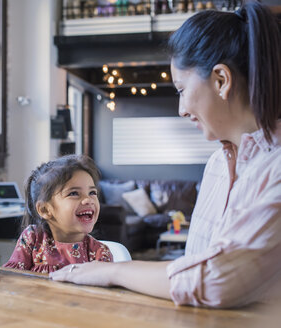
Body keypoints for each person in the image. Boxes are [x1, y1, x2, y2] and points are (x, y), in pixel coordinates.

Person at [51, 1, 281, 308]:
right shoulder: (217, 164)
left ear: (221, 81)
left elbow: (215, 280)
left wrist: (112, 271)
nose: (182, 109)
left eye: (182, 89)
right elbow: (197, 262)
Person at [4, 154, 113, 273]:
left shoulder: (99, 253)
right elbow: (13, 278)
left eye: (92, 192)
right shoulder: (32, 238)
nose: (88, 200)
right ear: (45, 210)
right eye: (74, 193)